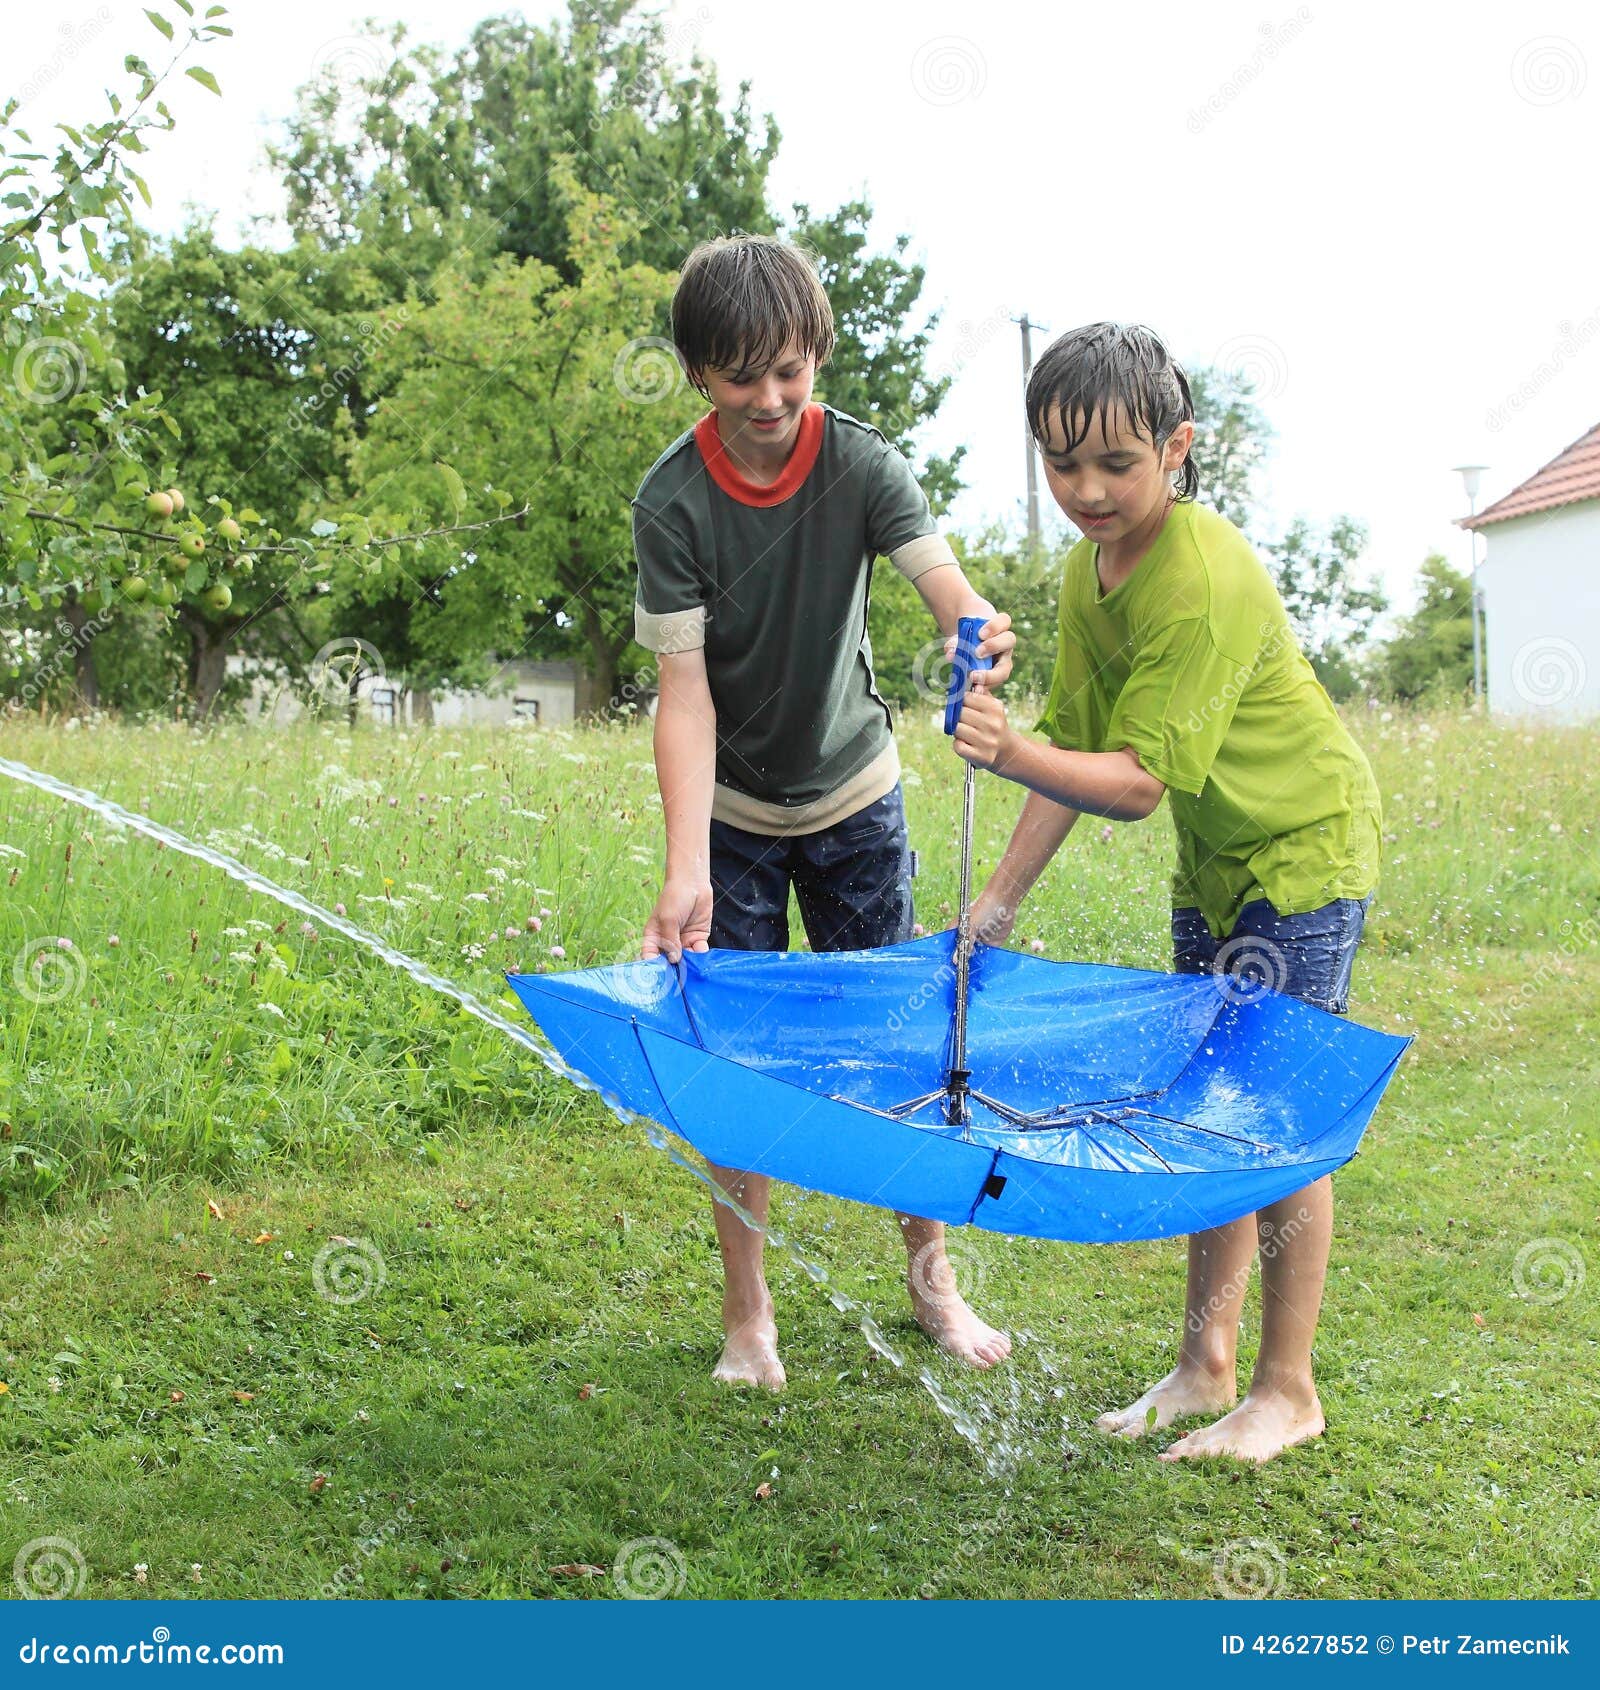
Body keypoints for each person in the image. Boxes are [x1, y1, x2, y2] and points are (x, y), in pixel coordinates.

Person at [952, 321, 1383, 1463]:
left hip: (1302, 845)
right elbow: (1076, 749)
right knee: (1210, 1100)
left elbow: (1132, 784)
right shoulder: (1087, 569)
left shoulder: (1200, 575)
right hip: (1217, 859)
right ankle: (1205, 1365)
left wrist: (1005, 752)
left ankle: (1288, 1390)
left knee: (1277, 1108)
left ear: (1178, 447)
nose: (1086, 489)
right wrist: (996, 900)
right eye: (1059, 463)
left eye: (1115, 463)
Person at [633, 233, 1016, 1391]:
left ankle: (930, 1281)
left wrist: (976, 624)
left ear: (815, 359)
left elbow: (947, 587)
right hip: (736, 812)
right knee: (735, 1064)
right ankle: (747, 1317)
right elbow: (683, 696)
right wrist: (686, 862)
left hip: (855, 797)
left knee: (900, 1044)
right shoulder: (672, 503)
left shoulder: (861, 464)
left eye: (790, 370)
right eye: (740, 374)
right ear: (698, 370)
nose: (768, 398)